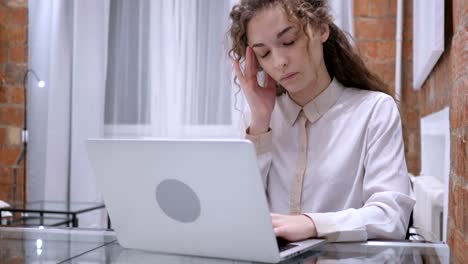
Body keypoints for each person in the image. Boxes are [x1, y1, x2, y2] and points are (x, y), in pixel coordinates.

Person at [228, 0, 415, 243]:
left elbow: (392, 216)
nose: (278, 62)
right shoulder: (258, 120)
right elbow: (240, 217)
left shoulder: (374, 111)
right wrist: (260, 124)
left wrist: (314, 224)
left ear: (322, 29)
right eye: (264, 53)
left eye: (289, 41)